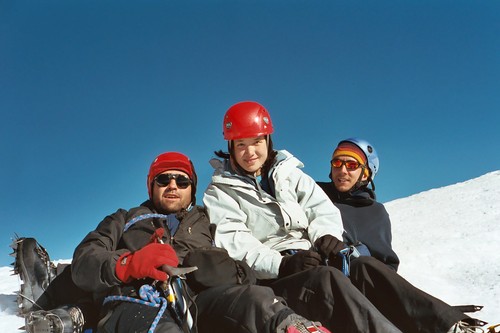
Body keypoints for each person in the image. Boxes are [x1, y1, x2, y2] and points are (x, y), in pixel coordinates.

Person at [14, 151, 330, 333]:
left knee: (257, 300)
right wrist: (126, 264)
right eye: (163, 179)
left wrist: (224, 270)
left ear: (193, 188)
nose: (173, 186)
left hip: (200, 301)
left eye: (183, 180)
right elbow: (85, 260)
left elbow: (246, 265)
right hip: (139, 297)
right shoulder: (125, 218)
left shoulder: (211, 221)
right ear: (151, 186)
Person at [203, 101, 406, 333]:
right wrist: (281, 264)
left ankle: (448, 324)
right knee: (327, 279)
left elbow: (319, 207)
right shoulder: (221, 191)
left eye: (257, 141)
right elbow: (235, 242)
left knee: (364, 267)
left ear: (268, 140)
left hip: (312, 260)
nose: (250, 152)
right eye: (241, 144)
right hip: (275, 278)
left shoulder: (289, 174)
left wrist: (325, 237)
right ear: (230, 146)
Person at [316, 138, 488, 333]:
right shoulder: (315, 194)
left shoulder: (374, 213)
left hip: (356, 282)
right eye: (337, 163)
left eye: (352, 165)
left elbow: (385, 266)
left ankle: (453, 327)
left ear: (365, 173)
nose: (343, 171)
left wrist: (352, 251)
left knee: (365, 265)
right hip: (319, 277)